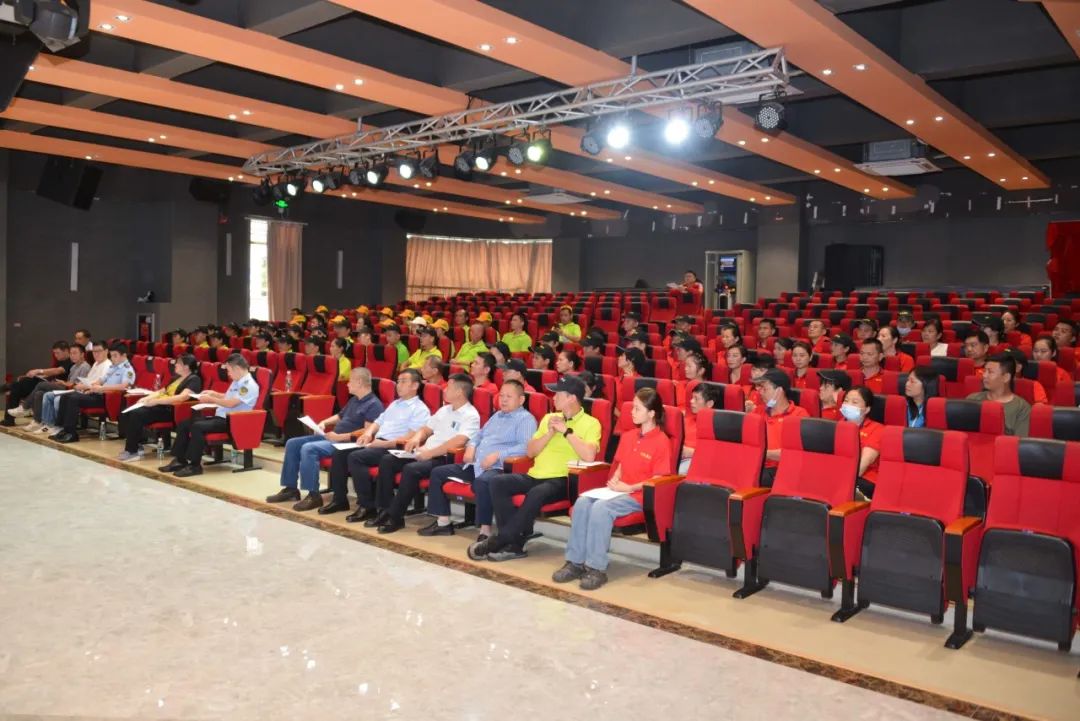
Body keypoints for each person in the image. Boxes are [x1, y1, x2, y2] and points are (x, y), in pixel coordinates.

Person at [469, 375, 601, 562]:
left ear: (571, 398)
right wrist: (549, 433)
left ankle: (502, 541)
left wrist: (566, 431)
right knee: (498, 482)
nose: (553, 397)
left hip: (563, 479)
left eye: (558, 394)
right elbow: (531, 452)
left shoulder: (591, 423)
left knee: (536, 493)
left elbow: (589, 456)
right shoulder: (549, 418)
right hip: (536, 475)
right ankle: (513, 542)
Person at [553, 387, 672, 590]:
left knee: (601, 509)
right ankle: (575, 562)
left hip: (638, 495)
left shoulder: (662, 441)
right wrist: (616, 478)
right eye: (632, 407)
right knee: (582, 502)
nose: (632, 412)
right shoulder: (629, 436)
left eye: (637, 409)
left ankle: (596, 568)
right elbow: (621, 464)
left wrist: (629, 487)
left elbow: (659, 479)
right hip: (619, 490)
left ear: (652, 413)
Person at [420, 379, 537, 539]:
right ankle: (443, 523)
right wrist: (471, 446)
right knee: (438, 473)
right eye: (501, 395)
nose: (503, 400)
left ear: (521, 399)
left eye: (508, 396)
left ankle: (485, 530)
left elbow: (526, 447)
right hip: (476, 465)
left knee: (482, 482)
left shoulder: (526, 419)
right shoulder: (497, 416)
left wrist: (498, 455)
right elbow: (479, 435)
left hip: (500, 468)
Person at [368, 374, 482, 533]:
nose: (444, 390)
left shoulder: (471, 415)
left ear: (460, 392)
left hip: (444, 458)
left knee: (411, 469)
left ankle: (395, 517)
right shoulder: (444, 409)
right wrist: (416, 438)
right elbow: (426, 429)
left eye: (448, 387)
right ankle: (385, 510)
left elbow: (459, 441)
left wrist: (430, 453)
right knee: (388, 460)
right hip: (425, 452)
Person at [265, 367, 385, 511]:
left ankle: (313, 495)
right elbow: (340, 416)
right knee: (292, 443)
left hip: (347, 443)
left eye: (350, 381)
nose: (347, 384)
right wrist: (324, 423)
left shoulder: (374, 404)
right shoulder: (354, 400)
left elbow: (366, 433)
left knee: (309, 448)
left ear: (359, 382)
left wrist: (339, 437)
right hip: (334, 437)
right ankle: (290, 489)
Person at [321, 370, 430, 519]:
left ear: (415, 385)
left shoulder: (420, 409)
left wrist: (383, 444)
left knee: (356, 457)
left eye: (403, 381)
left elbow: (410, 437)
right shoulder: (395, 404)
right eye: (398, 381)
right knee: (339, 453)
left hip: (394, 447)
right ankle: (339, 499)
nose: (398, 385)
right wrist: (368, 433)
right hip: (377, 442)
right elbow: (377, 422)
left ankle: (367, 505)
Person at [156, 353, 258, 475]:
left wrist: (211, 399)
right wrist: (214, 393)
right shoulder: (238, 381)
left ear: (237, 368)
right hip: (221, 418)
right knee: (185, 424)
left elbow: (231, 403)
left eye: (229, 370)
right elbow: (228, 397)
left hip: (233, 422)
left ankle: (194, 465)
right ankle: (180, 460)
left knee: (197, 427)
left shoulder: (248, 385)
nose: (228, 374)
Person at [116, 354, 203, 461]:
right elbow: (160, 392)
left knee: (137, 414)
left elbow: (182, 397)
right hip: (160, 406)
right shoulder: (176, 378)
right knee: (127, 412)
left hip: (171, 410)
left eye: (178, 363)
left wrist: (155, 402)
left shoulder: (194, 380)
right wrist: (146, 399)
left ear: (186, 366)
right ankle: (137, 445)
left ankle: (132, 451)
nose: (175, 365)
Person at [50, 342, 136, 444]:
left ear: (124, 355)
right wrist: (92, 387)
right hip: (97, 393)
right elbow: (101, 380)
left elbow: (124, 386)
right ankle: (63, 429)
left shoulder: (127, 369)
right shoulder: (113, 367)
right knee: (66, 396)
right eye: (112, 355)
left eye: (115, 356)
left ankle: (71, 433)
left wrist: (102, 388)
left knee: (73, 399)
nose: (112, 358)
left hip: (107, 398)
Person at [752, 368, 809, 487]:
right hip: (756, 465)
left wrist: (762, 453)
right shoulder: (758, 411)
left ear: (779, 391)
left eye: (764, 388)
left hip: (780, 470)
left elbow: (794, 454)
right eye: (759, 388)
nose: (760, 392)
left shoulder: (799, 415)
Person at [22, 343, 91, 432]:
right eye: (71, 353)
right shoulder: (74, 366)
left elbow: (79, 385)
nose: (72, 356)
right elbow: (69, 382)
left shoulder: (85, 367)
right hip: (67, 388)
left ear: (82, 354)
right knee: (40, 394)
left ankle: (25, 407)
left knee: (42, 385)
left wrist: (64, 383)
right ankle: (39, 422)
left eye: (75, 353)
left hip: (74, 391)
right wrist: (62, 383)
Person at [1, 341, 73, 425]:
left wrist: (38, 371)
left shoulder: (70, 361)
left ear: (66, 351)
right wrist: (33, 375)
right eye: (54, 353)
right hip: (48, 383)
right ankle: (10, 417)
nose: (55, 355)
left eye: (57, 353)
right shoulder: (60, 361)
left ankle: (21, 406)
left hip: (56, 386)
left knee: (17, 386)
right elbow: (50, 374)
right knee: (17, 387)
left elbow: (57, 371)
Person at [966, 353, 1031, 436]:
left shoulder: (1022, 408)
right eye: (984, 371)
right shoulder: (972, 399)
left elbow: (1019, 441)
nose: (984, 375)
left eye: (990, 372)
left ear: (1006, 377)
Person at [839, 386, 885, 499]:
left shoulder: (877, 429)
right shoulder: (837, 426)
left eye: (855, 402)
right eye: (846, 400)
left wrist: (841, 482)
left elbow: (864, 463)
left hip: (864, 478)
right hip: (838, 474)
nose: (848, 405)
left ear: (867, 409)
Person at [678, 381, 718, 474]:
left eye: (696, 399)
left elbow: (715, 455)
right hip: (679, 457)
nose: (691, 401)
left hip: (697, 461)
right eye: (692, 397)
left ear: (709, 403)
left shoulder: (716, 426)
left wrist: (691, 452)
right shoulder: (686, 420)